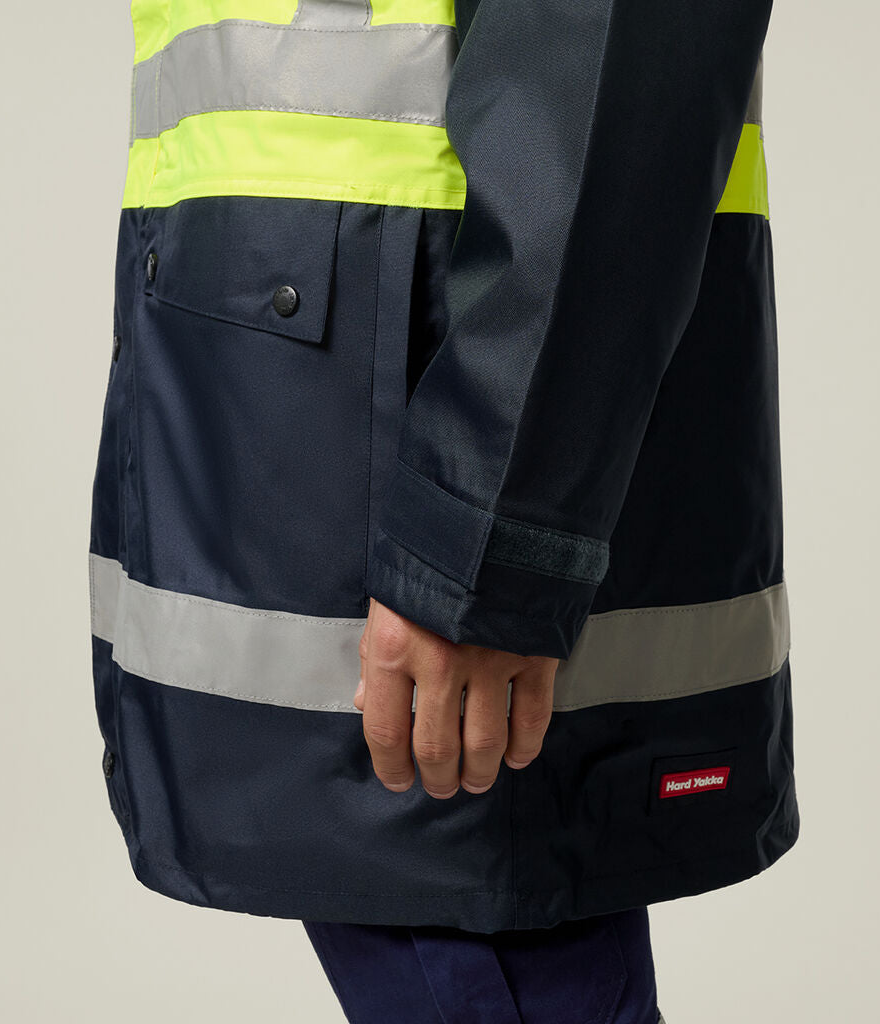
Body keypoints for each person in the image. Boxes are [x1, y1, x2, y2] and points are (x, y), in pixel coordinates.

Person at [87, 0, 797, 1020]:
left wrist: (486, 533)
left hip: (435, 462)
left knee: (490, 935)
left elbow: (609, 47)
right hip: (318, 441)